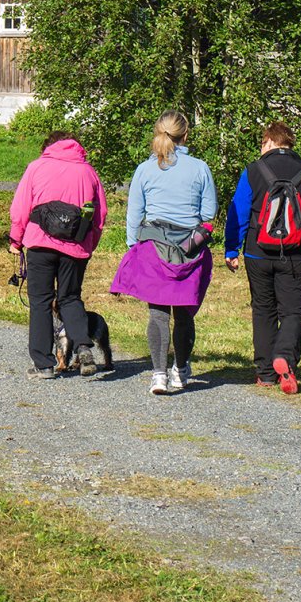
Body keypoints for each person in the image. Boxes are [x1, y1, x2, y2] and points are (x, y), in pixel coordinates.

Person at [110, 110, 217, 395]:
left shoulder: (145, 169)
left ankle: (158, 374)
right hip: (189, 250)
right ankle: (180, 370)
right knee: (184, 315)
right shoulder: (199, 168)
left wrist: (134, 246)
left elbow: (134, 214)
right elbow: (208, 213)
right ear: (186, 135)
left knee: (157, 314)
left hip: (153, 247)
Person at [224, 121, 301, 395]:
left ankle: (265, 373)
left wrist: (231, 249)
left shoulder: (253, 171)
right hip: (296, 253)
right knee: (293, 310)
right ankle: (284, 355)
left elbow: (239, 210)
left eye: (262, 143)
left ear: (269, 142)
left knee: (263, 309)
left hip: (257, 252)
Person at [9, 131, 110, 379]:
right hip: (75, 246)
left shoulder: (37, 167)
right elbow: (100, 215)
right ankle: (83, 346)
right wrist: (90, 244)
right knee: (70, 298)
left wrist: (16, 239)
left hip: (40, 242)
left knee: (41, 301)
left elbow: (21, 206)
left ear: (48, 147)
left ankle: (43, 365)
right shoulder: (88, 171)